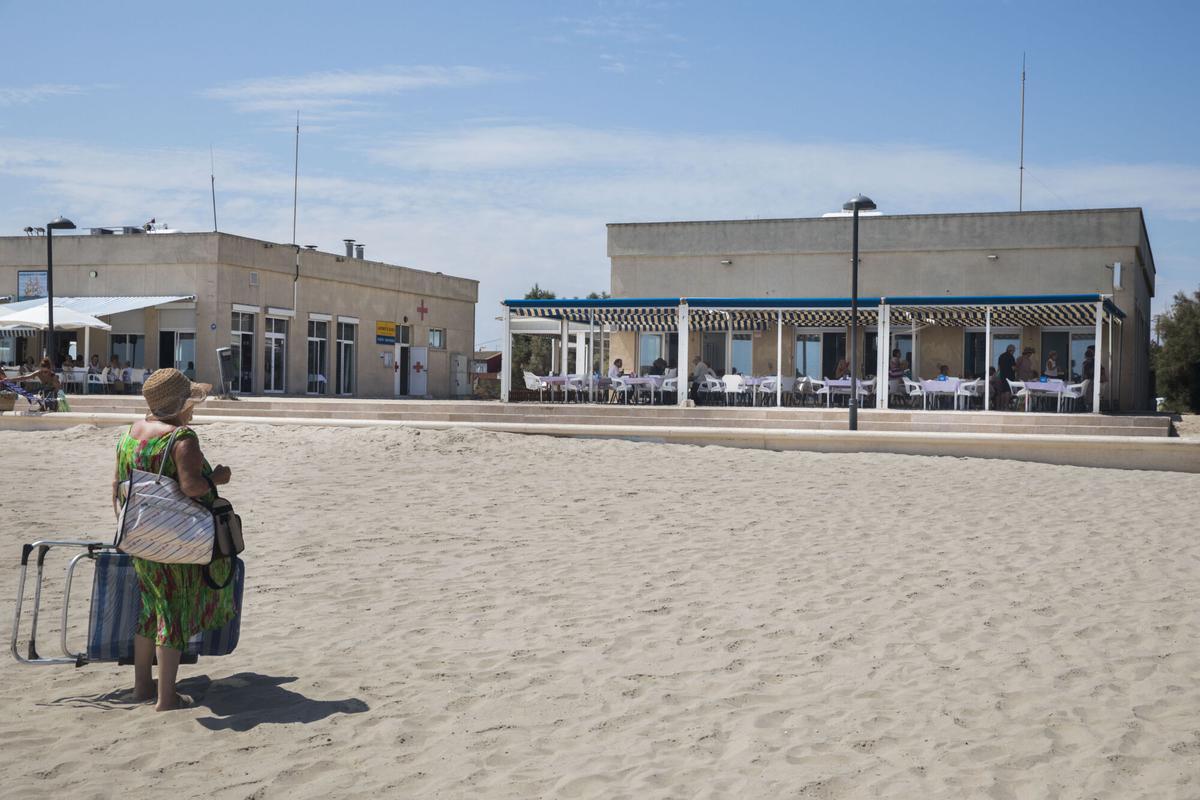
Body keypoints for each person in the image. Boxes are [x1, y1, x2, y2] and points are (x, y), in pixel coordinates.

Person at [113, 368, 234, 711]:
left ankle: (141, 687)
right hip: (175, 541)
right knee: (173, 614)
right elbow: (192, 486)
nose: (194, 407)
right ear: (180, 403)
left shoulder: (132, 433)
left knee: (150, 610)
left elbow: (118, 484)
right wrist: (218, 478)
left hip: (139, 536)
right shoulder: (181, 438)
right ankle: (166, 698)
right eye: (191, 401)